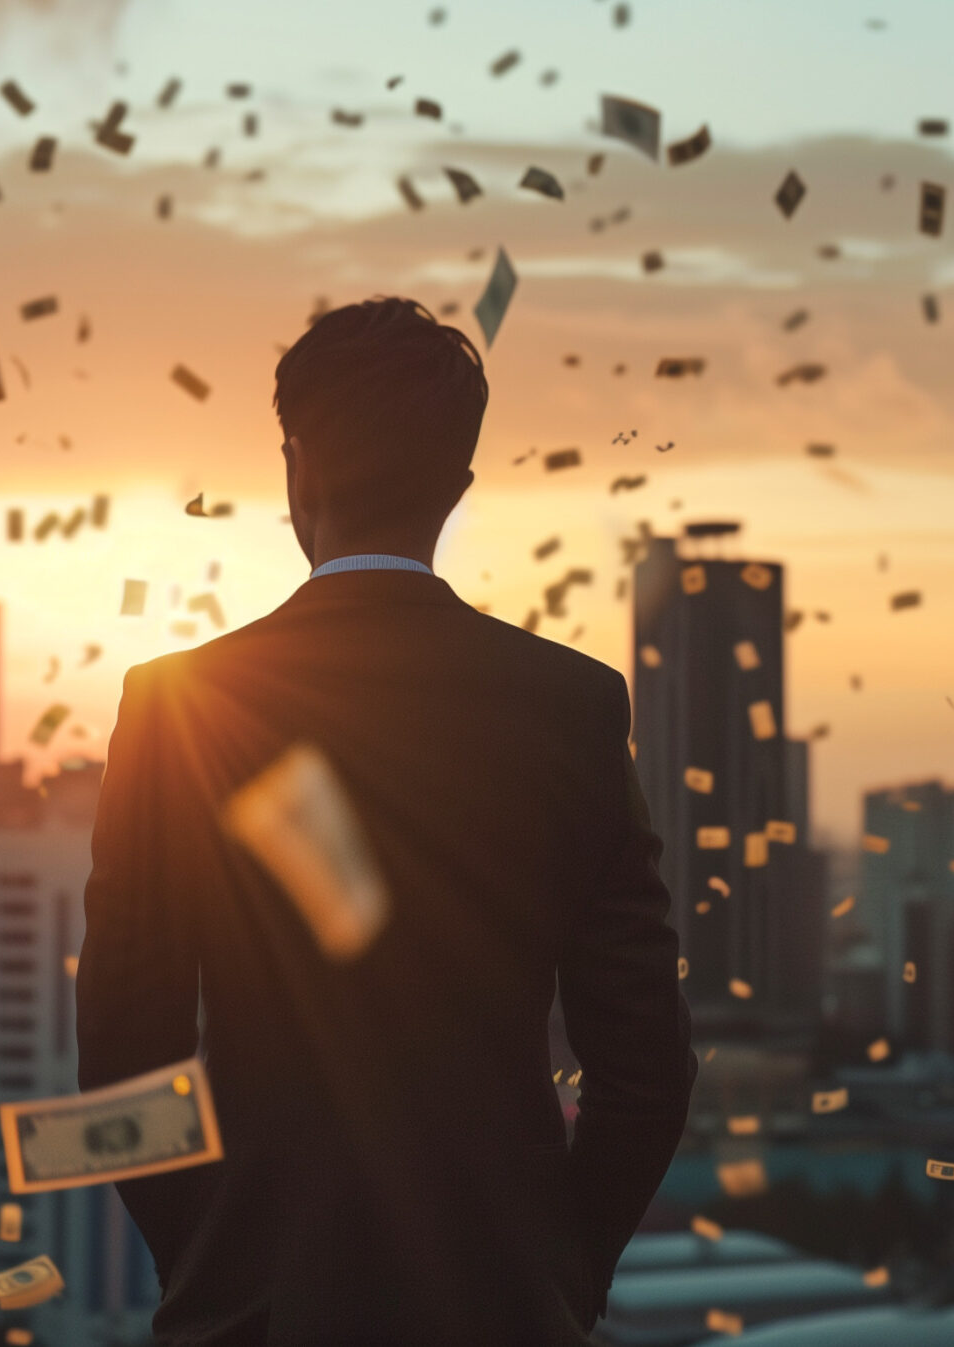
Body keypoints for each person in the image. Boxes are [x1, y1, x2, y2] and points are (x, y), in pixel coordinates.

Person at [78, 298, 695, 1344]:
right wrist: (557, 1272)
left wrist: (209, 1260)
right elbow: (645, 1065)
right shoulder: (572, 704)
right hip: (498, 1304)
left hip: (256, 1305)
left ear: (294, 466)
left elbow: (119, 1052)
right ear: (457, 487)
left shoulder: (176, 706)